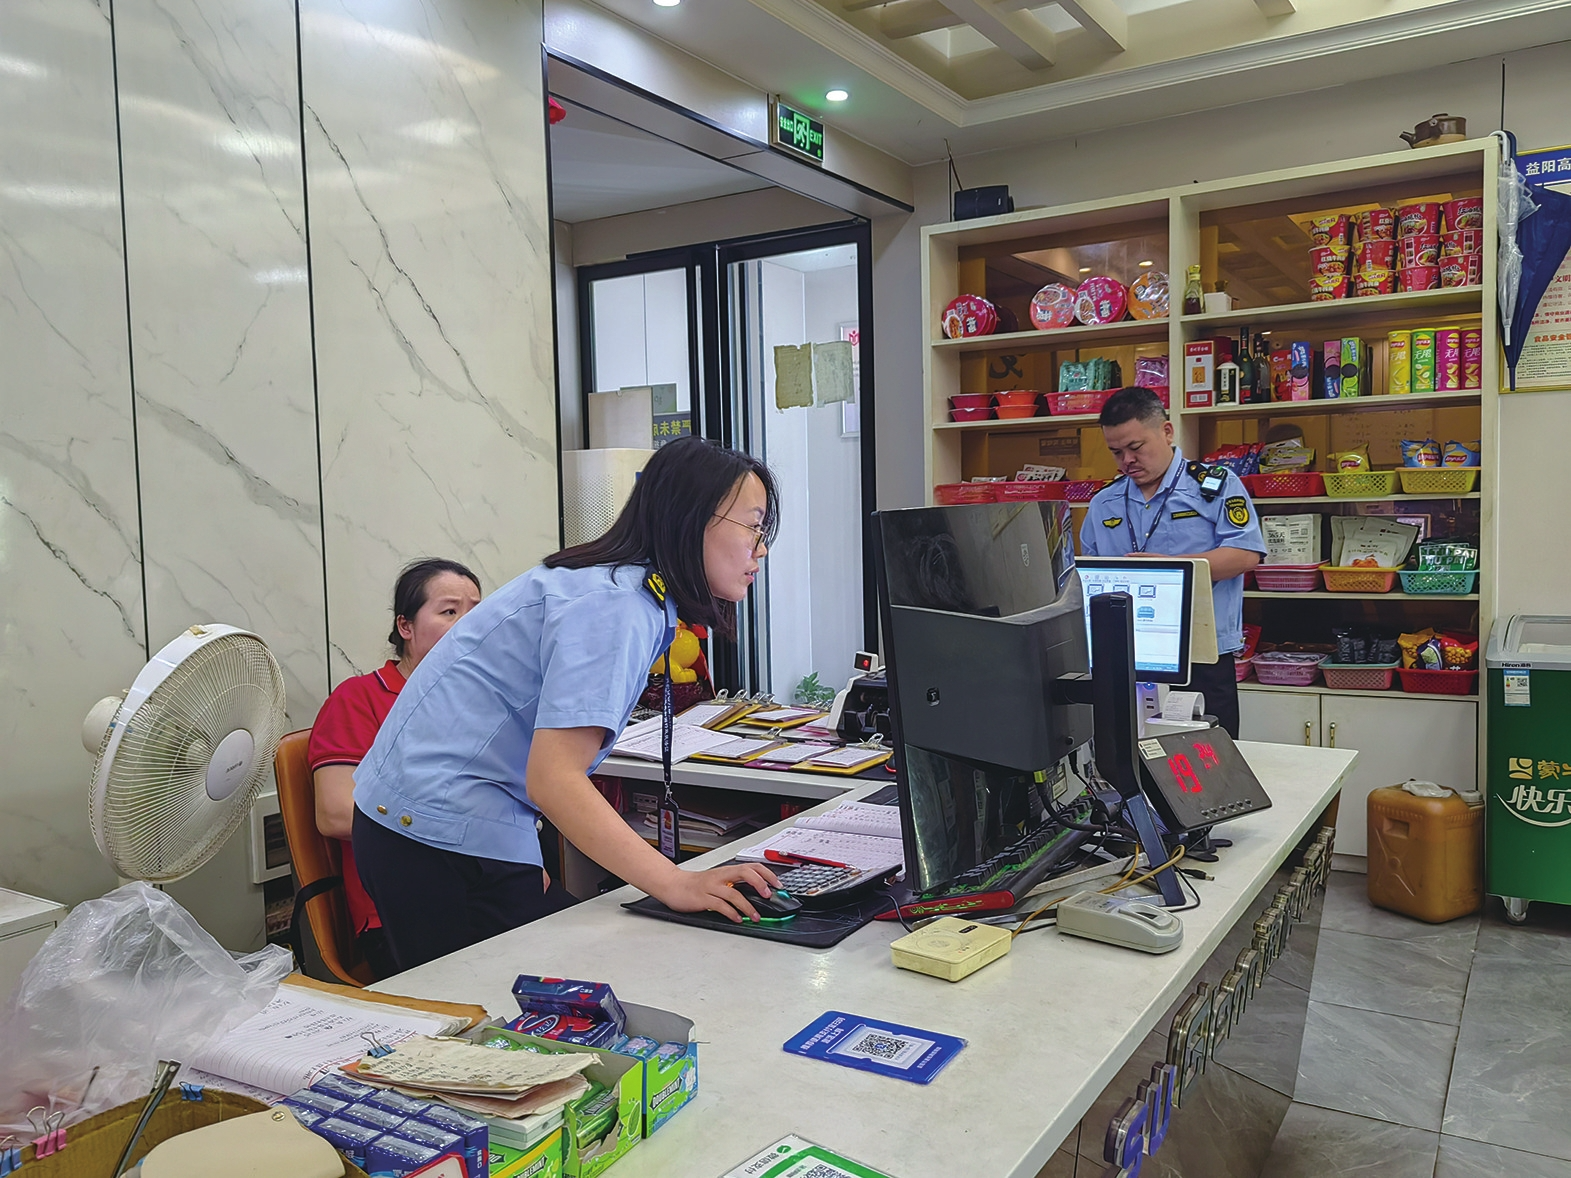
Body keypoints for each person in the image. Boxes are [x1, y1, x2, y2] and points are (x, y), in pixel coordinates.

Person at [352, 436, 783, 971]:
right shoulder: (617, 604)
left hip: (440, 822)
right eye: (753, 525)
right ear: (692, 518)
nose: (761, 548)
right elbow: (554, 779)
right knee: (501, 1009)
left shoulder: (621, 587)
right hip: (434, 833)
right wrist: (676, 883)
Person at [307, 558, 482, 979]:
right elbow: (335, 813)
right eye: (449, 611)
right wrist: (464, 823)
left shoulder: (481, 699)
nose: (467, 624)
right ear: (405, 626)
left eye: (476, 611)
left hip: (486, 885)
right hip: (401, 908)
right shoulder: (359, 699)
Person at [1078, 387, 1266, 739]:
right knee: (1126, 753)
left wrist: (1170, 568)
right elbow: (1087, 572)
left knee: (1209, 758)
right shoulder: (1104, 502)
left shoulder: (1215, 486)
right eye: (1116, 452)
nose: (1126, 461)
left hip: (1201, 655)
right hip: (1126, 655)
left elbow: (1245, 554)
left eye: (1135, 447)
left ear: (1166, 431)